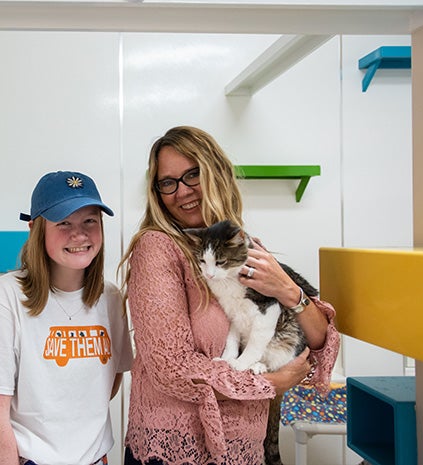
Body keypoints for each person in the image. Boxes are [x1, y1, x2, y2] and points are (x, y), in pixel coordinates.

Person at [119, 126, 340, 465]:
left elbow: (318, 340)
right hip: (175, 448)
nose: (182, 191)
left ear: (216, 171)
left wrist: (287, 290)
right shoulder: (157, 249)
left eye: (193, 174)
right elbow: (170, 367)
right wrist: (268, 384)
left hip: (244, 448)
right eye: (168, 182)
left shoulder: (247, 247)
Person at [0, 171, 134, 465]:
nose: (79, 234)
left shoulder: (111, 298)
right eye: (64, 222)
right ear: (36, 228)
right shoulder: (7, 296)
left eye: (90, 220)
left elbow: (109, 383)